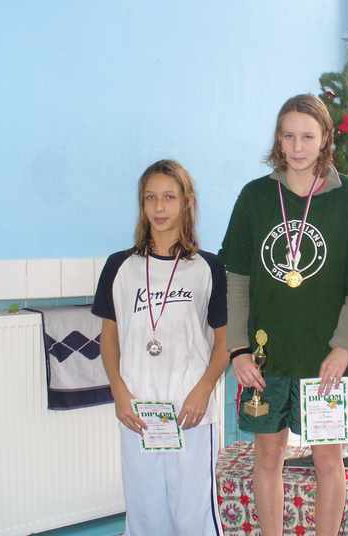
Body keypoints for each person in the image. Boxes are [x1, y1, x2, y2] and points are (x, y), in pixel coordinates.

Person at [220, 94, 348, 536]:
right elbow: (237, 280)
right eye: (288, 136)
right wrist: (239, 350)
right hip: (265, 360)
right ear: (278, 139)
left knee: (328, 460)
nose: (297, 146)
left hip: (323, 361)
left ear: (325, 137)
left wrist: (343, 349)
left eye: (307, 136)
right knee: (267, 457)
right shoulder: (255, 196)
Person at [92, 159, 228, 535]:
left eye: (169, 197)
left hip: (191, 412)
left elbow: (224, 344)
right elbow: (109, 338)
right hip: (137, 412)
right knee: (145, 516)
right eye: (150, 197)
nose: (159, 207)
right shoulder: (119, 266)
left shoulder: (209, 267)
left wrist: (203, 390)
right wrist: (119, 392)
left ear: (187, 202)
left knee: (193, 518)